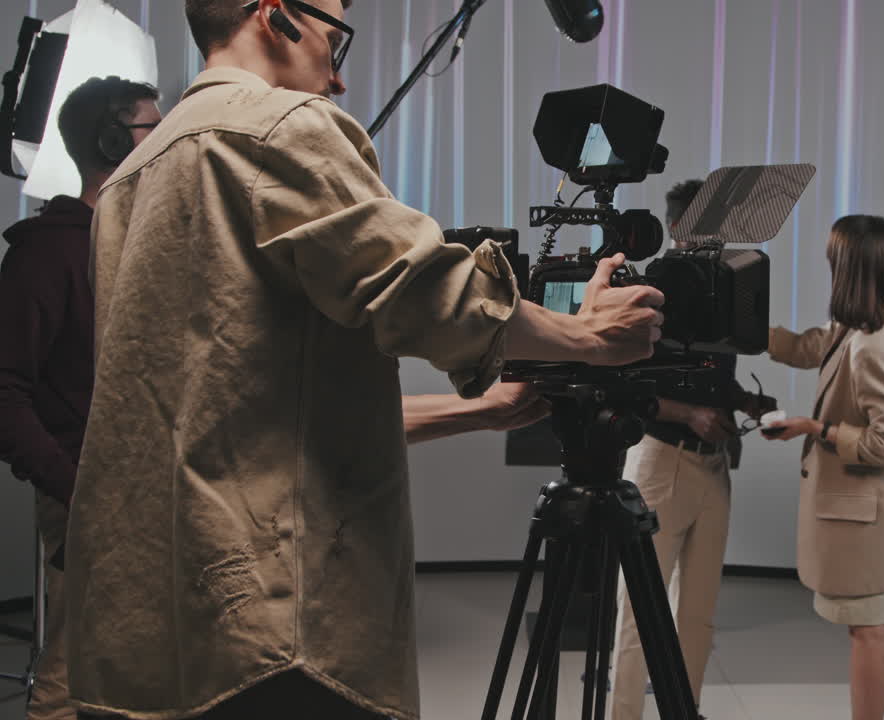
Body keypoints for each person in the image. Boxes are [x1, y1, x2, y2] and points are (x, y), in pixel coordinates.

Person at [64, 1, 664, 718]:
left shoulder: (130, 179)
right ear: (276, 15)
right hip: (277, 632)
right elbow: (427, 289)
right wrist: (589, 338)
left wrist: (484, 408)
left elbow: (237, 408)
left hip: (157, 619)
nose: (339, 82)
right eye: (335, 40)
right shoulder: (282, 127)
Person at [0, 76, 162, 720]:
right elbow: (4, 392)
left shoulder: (142, 244)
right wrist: (78, 487)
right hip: (89, 496)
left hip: (151, 489)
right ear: (111, 142)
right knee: (70, 680)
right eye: (155, 127)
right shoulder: (49, 254)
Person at [762, 215, 884, 720]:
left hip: (868, 524)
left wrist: (816, 429)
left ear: (846, 267)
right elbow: (819, 346)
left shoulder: (871, 349)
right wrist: (755, 332)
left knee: (870, 631)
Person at [608, 179, 743, 720]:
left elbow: (717, 376)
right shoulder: (653, 289)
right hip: (661, 460)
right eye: (712, 226)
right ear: (685, 230)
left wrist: (746, 404)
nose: (722, 237)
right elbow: (627, 384)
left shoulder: (724, 291)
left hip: (714, 467)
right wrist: (690, 414)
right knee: (639, 615)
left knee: (698, 615)